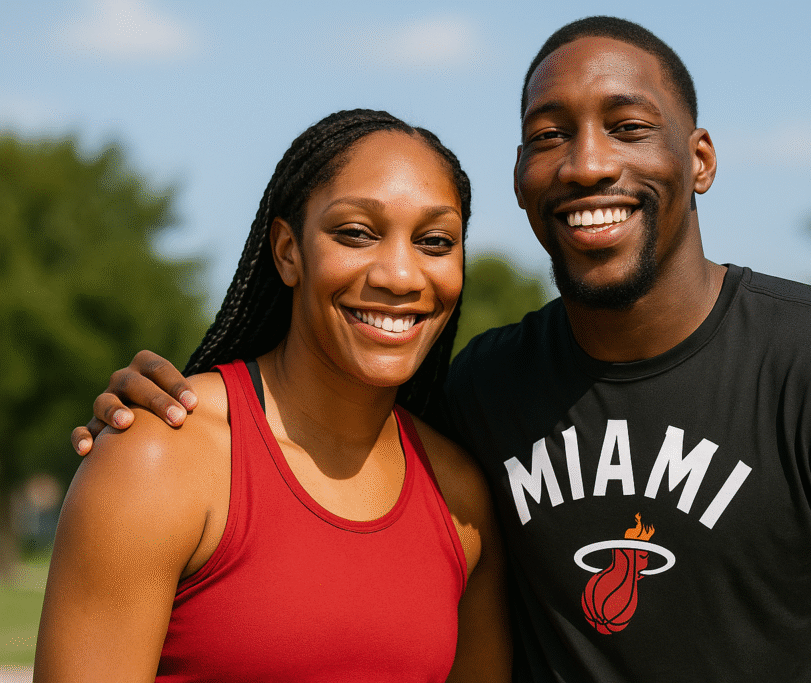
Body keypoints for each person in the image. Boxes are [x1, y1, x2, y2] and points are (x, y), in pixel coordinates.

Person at [70, 17, 811, 683]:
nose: (589, 163)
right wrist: (143, 420)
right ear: (522, 180)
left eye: (629, 127)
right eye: (550, 137)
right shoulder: (482, 393)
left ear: (702, 159)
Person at [37, 109, 510, 682]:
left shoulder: (460, 498)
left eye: (435, 241)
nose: (401, 276)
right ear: (288, 251)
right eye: (357, 233)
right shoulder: (162, 457)